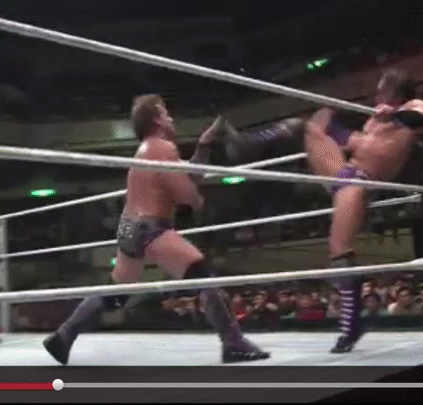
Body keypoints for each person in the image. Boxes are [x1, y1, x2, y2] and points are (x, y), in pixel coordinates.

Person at [221, 68, 423, 352]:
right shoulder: (374, 118)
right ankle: (245, 145)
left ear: (395, 92)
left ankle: (351, 325)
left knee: (339, 252)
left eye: (381, 91)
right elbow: (360, 143)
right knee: (308, 125)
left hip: (361, 182)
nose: (376, 96)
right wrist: (336, 124)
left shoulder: (412, 107)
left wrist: (395, 115)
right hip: (344, 171)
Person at [43, 95, 270, 365]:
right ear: (158, 120)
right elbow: (186, 194)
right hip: (150, 227)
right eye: (166, 113)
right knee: (204, 277)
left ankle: (63, 336)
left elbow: (186, 175)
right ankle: (233, 343)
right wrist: (198, 199)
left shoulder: (146, 151)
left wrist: (203, 145)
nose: (171, 118)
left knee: (116, 293)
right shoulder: (163, 148)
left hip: (129, 227)